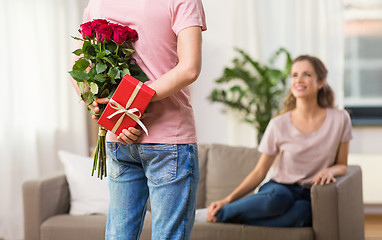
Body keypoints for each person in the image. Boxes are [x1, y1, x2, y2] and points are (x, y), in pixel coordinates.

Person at [71, 0, 207, 239]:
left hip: (119, 135)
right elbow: (189, 68)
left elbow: (80, 66)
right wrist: (128, 104)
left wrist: (99, 104)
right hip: (168, 140)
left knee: (119, 235)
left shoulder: (98, 2)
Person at [206, 55, 353, 227]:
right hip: (280, 188)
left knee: (301, 215)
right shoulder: (278, 124)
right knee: (278, 199)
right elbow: (259, 172)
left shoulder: (340, 119)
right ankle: (221, 213)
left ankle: (234, 219)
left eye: (306, 74)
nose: (298, 80)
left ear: (321, 82)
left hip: (310, 193)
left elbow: (342, 164)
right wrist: (227, 199)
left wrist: (330, 171)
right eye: (294, 75)